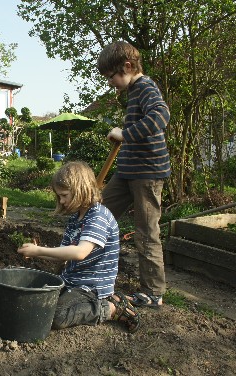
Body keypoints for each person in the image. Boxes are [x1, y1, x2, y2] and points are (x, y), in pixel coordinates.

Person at [17, 161, 140, 333]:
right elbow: (64, 254)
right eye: (59, 196)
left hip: (92, 286)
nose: (61, 200)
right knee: (38, 305)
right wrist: (35, 253)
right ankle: (110, 301)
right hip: (73, 281)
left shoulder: (98, 216)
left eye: (64, 195)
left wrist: (39, 250)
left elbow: (80, 252)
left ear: (80, 190)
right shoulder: (76, 219)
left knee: (56, 317)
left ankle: (111, 309)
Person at [96, 41, 171, 308]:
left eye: (111, 77)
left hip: (147, 174)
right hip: (127, 172)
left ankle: (153, 293)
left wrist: (125, 134)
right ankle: (88, 272)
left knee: (146, 232)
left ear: (127, 67)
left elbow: (161, 116)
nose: (110, 83)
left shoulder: (146, 87)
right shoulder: (133, 91)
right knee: (97, 214)